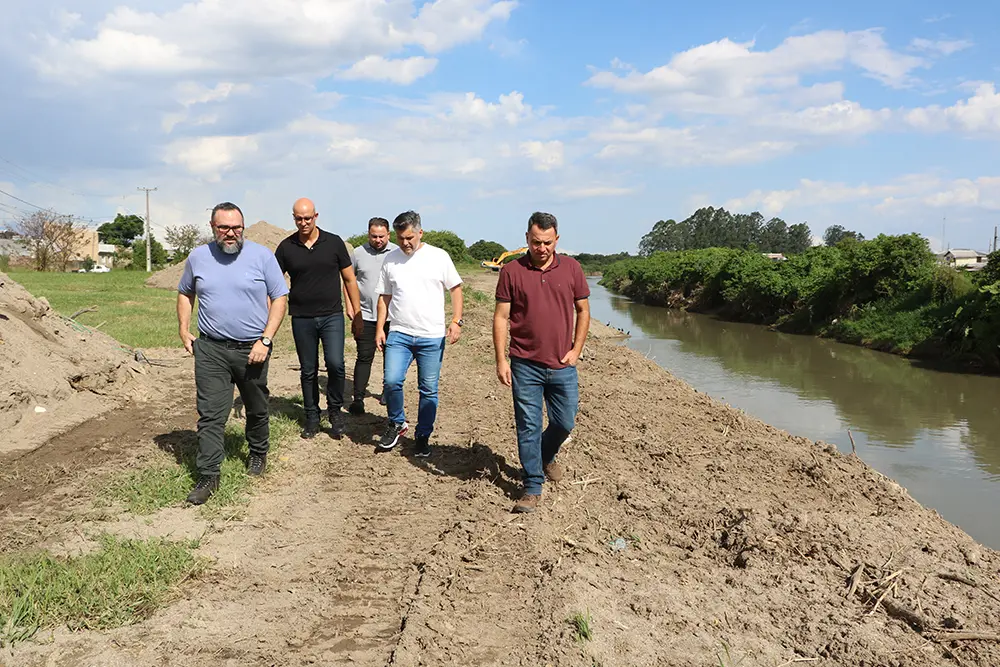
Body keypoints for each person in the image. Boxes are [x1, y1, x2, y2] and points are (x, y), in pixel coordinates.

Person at [177, 202, 289, 505]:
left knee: (256, 406)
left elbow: (280, 298)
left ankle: (258, 452)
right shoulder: (198, 257)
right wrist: (184, 329)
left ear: (243, 227)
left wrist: (265, 340)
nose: (231, 233)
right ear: (213, 227)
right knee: (211, 414)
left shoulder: (262, 256)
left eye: (236, 227)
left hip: (252, 348)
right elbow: (185, 292)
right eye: (224, 227)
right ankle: (208, 474)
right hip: (211, 348)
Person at [493, 211, 590, 513]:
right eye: (536, 242)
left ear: (557, 239)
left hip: (562, 365)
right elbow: (501, 317)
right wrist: (501, 359)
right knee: (529, 426)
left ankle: (546, 456)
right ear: (527, 238)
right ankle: (532, 485)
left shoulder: (572, 268)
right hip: (525, 364)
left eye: (548, 242)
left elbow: (583, 311)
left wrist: (576, 349)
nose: (542, 248)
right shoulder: (511, 271)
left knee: (565, 422)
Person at [374, 211, 463, 458]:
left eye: (410, 237)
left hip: (431, 336)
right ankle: (397, 423)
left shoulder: (439, 257)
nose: (405, 243)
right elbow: (384, 297)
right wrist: (380, 328)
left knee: (428, 390)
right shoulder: (390, 259)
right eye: (401, 238)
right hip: (399, 333)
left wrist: (457, 320)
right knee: (391, 381)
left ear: (420, 233)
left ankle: (423, 436)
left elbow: (456, 289)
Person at [275, 198, 362, 440]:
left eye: (307, 218)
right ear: (294, 218)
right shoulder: (286, 247)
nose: (303, 223)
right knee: (308, 369)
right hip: (301, 318)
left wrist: (357, 313)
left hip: (331, 316)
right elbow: (273, 281)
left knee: (335, 364)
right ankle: (312, 416)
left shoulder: (333, 243)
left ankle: (334, 411)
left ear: (316, 216)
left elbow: (349, 279)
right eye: (298, 219)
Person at [345, 217, 394, 415]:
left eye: (382, 236)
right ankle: (358, 398)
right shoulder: (358, 253)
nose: (378, 240)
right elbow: (348, 279)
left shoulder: (397, 253)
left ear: (388, 234)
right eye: (374, 236)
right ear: (368, 234)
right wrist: (350, 306)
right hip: (365, 314)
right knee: (364, 356)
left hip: (392, 317)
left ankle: (388, 391)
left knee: (391, 356)